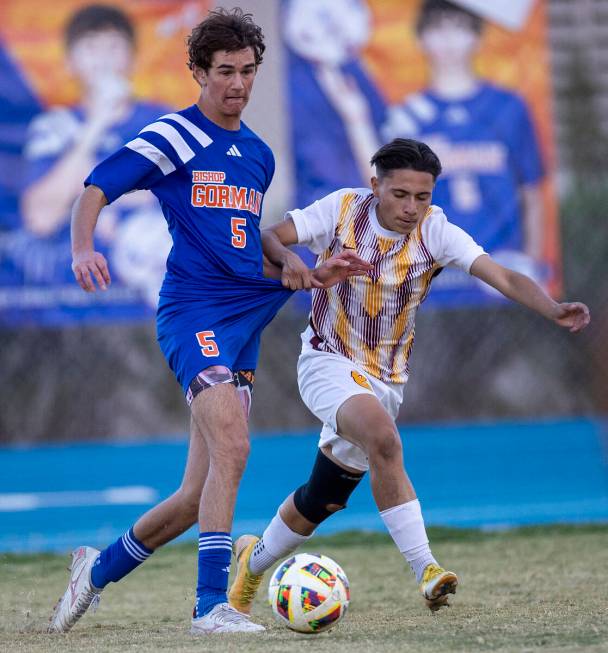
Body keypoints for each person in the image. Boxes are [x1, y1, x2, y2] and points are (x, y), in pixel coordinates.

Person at [48, 7, 370, 636]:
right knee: (234, 446)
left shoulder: (257, 154)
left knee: (198, 497)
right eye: (224, 71)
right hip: (193, 315)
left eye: (248, 71)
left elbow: (254, 241)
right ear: (197, 70)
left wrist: (306, 266)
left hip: (247, 315)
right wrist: (82, 247)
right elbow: (95, 188)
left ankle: (94, 569)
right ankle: (209, 609)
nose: (238, 84)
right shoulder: (173, 135)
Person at [227, 138, 590, 618]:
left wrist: (551, 308)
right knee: (385, 440)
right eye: (400, 194)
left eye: (422, 197)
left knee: (324, 498)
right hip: (325, 362)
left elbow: (501, 276)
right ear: (375, 185)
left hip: (386, 380)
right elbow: (267, 235)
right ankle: (427, 569)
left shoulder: (436, 232)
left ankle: (252, 564)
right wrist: (294, 261)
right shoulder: (341, 210)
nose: (411, 207)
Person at [383, 0, 547, 304]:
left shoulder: (508, 107)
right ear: (420, 39)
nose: (448, 41)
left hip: (501, 266)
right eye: (437, 30)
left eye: (459, 29)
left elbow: (533, 191)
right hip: (432, 274)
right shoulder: (405, 117)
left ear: (478, 38)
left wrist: (532, 262)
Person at [16, 3, 172, 319]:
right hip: (71, 303)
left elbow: (190, 194)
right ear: (70, 62)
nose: (102, 59)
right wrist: (96, 124)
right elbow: (40, 217)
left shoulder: (163, 121)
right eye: (90, 47)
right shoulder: (54, 127)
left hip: (156, 286)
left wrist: (97, 198)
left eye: (113, 47)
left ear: (132, 57)